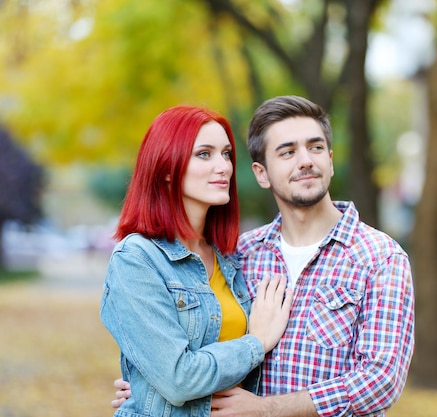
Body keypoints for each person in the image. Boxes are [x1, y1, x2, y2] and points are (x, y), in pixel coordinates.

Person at [113, 96, 415, 416]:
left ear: (330, 159)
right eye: (287, 152)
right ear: (261, 173)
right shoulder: (241, 254)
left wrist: (267, 409)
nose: (305, 161)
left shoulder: (379, 257)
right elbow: (197, 346)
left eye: (315, 148)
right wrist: (152, 385)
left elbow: (381, 380)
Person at [100, 105, 293, 417]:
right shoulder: (137, 260)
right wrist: (256, 342)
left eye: (226, 154)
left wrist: (147, 383)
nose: (223, 167)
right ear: (165, 168)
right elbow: (179, 379)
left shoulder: (231, 258)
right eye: (204, 154)